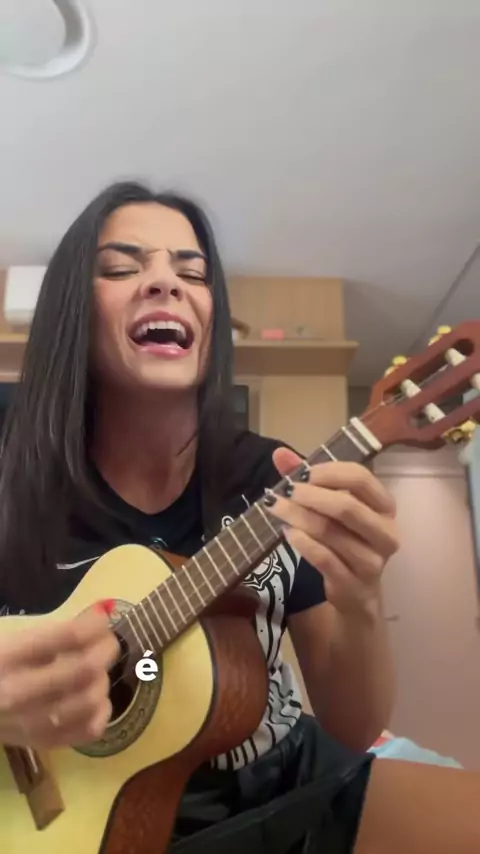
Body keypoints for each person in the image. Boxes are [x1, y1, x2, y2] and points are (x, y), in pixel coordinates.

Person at [0, 182, 478, 854]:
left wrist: (362, 600)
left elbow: (351, 727)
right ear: (70, 310)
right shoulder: (11, 465)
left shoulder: (271, 479)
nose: (166, 282)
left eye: (193, 273)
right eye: (121, 267)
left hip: (284, 780)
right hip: (86, 812)